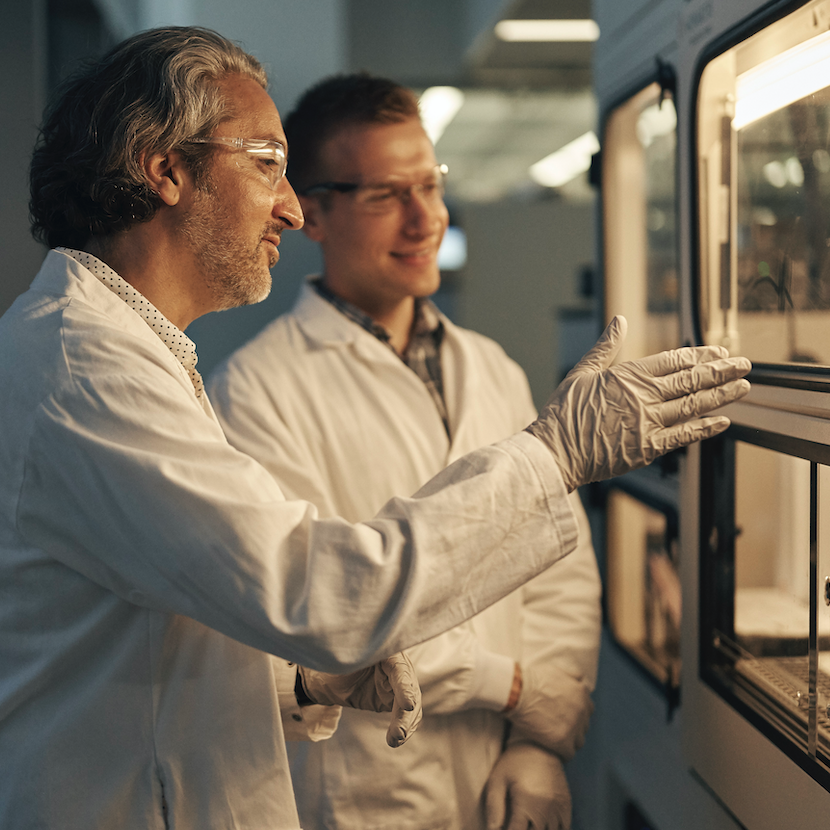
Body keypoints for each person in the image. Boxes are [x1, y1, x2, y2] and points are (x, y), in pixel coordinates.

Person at [0, 25, 750, 830]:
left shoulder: (120, 349)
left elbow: (187, 612)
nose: (285, 204)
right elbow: (320, 595)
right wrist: (553, 456)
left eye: (431, 185)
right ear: (166, 168)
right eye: (267, 166)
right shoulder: (89, 365)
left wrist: (305, 683)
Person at [207, 73, 602, 830]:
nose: (426, 220)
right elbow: (326, 613)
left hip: (506, 776)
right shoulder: (254, 394)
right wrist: (517, 687)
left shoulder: (489, 366)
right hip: (371, 789)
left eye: (430, 184)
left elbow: (560, 565)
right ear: (312, 213)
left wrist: (535, 742)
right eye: (387, 195)